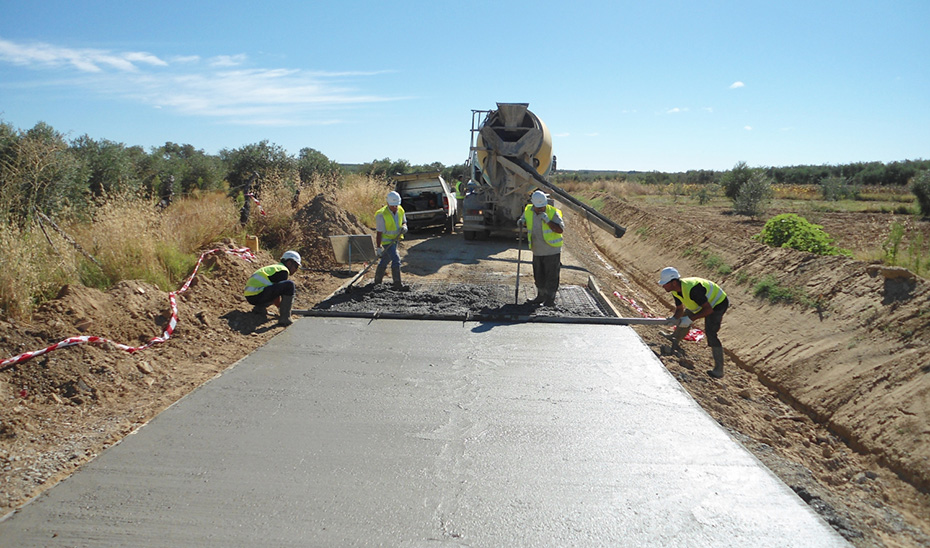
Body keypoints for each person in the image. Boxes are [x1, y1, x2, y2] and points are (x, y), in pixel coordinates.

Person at [658, 267, 729, 378]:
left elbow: (708, 310)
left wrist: (690, 319)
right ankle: (674, 338)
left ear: (674, 282)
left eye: (665, 284)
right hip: (700, 302)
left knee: (710, 332)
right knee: (684, 317)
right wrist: (674, 319)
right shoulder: (675, 290)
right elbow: (679, 309)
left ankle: (719, 370)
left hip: (717, 303)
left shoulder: (693, 289)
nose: (663, 286)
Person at [518, 190, 564, 306]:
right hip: (537, 250)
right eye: (538, 208)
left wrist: (548, 220)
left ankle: (550, 300)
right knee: (539, 275)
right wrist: (521, 221)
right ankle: (540, 296)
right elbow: (523, 220)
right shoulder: (528, 210)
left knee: (551, 276)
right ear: (533, 204)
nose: (540, 209)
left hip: (552, 250)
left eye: (542, 207)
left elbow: (560, 230)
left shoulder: (552, 212)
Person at [243, 250, 301, 327]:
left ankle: (259, 308)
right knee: (289, 285)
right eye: (296, 266)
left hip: (251, 295)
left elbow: (274, 290)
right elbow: (277, 294)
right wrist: (282, 309)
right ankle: (285, 319)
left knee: (274, 287)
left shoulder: (275, 268)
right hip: (257, 294)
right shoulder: (282, 270)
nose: (296, 269)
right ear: (289, 263)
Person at [374, 191, 409, 290]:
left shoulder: (400, 209)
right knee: (396, 259)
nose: (395, 207)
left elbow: (404, 221)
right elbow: (379, 233)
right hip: (386, 241)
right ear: (388, 203)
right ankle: (397, 284)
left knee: (385, 259)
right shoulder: (381, 215)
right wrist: (378, 247)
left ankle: (377, 281)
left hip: (395, 240)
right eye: (393, 205)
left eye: (396, 205)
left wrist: (404, 227)